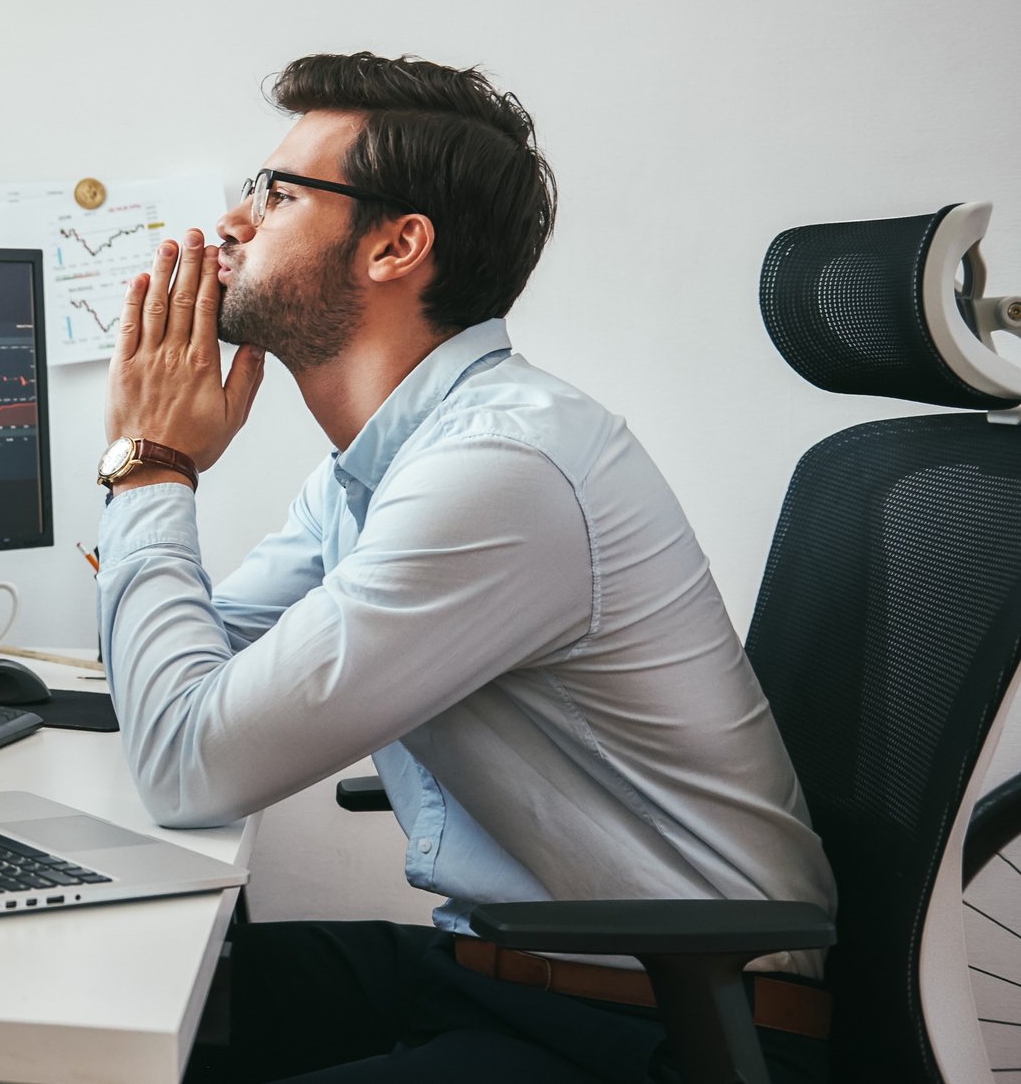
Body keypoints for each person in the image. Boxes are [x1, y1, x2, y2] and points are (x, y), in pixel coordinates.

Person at [94, 52, 835, 1083]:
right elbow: (183, 678)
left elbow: (189, 766)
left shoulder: (500, 471)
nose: (231, 220)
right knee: (113, 997)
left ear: (397, 244)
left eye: (275, 192)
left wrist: (152, 466)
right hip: (501, 972)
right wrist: (152, 484)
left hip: (666, 1028)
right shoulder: (384, 465)